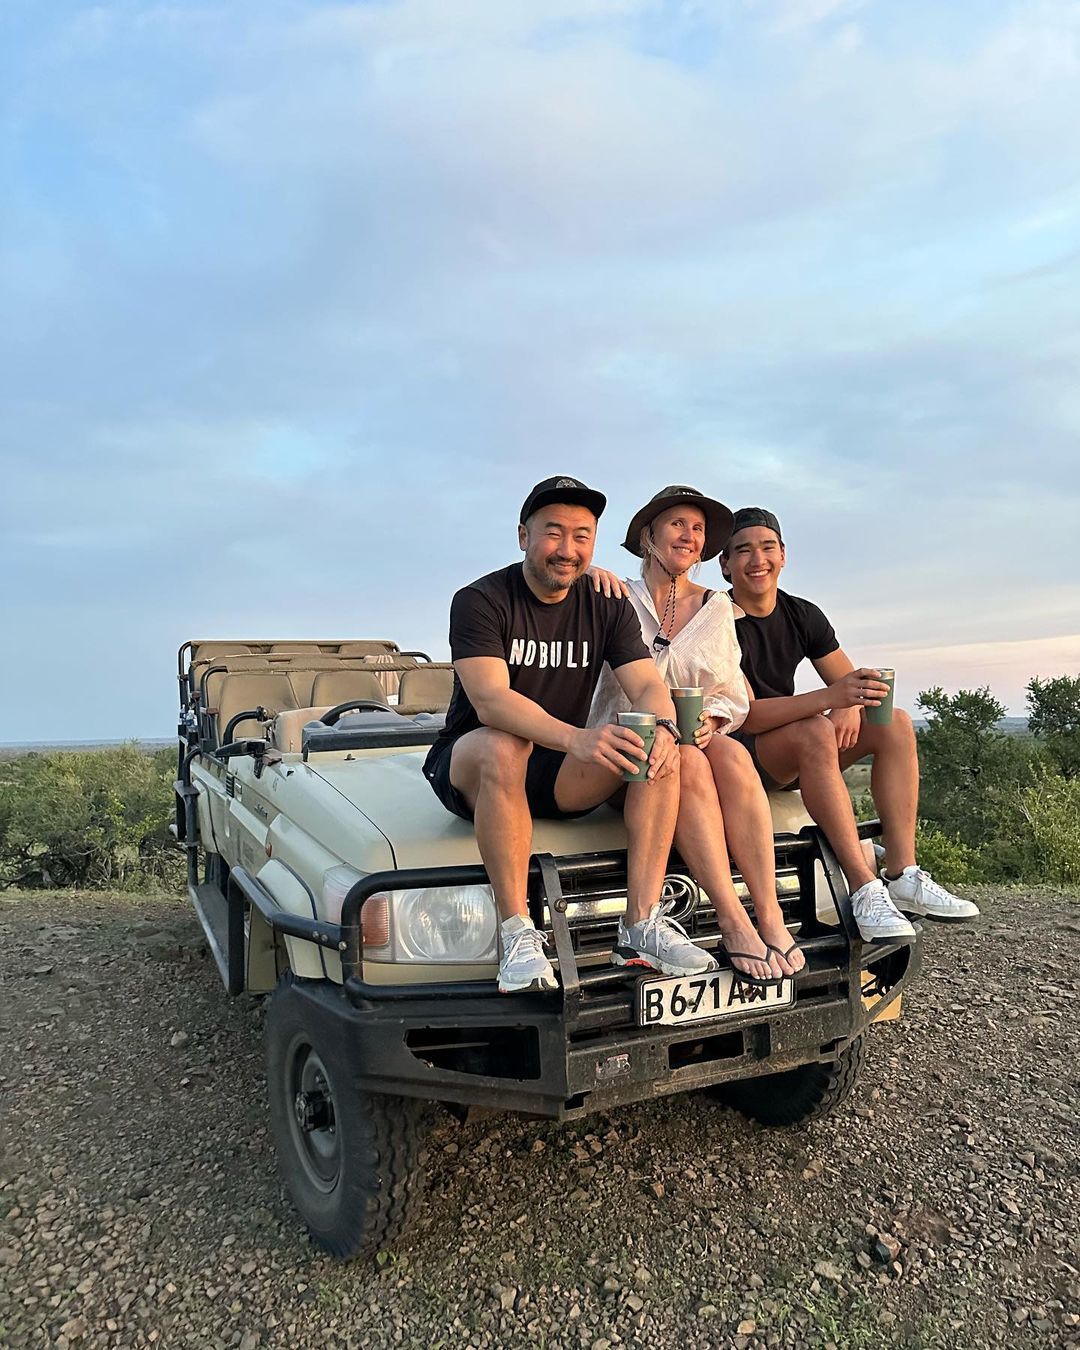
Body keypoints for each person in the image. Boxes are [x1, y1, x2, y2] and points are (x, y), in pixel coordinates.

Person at [423, 475, 720, 994]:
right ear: (523, 536)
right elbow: (490, 701)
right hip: (474, 762)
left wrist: (665, 727)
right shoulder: (480, 599)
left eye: (582, 536)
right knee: (504, 744)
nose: (567, 549)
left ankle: (640, 924)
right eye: (553, 532)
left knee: (654, 745)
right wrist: (578, 739)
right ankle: (517, 932)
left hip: (556, 768)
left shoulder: (605, 602)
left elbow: (647, 685)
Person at [719, 507, 979, 940]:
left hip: (798, 748)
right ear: (725, 564)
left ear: (783, 555)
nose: (757, 559)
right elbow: (749, 714)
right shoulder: (718, 619)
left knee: (893, 721)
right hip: (743, 753)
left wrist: (847, 705)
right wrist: (831, 700)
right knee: (815, 728)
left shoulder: (802, 614)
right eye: (743, 550)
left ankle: (903, 873)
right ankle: (863, 886)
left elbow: (853, 685)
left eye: (767, 547)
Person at [588, 487, 805, 985]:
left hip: (692, 742)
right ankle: (732, 919)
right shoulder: (612, 595)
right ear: (648, 535)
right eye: (677, 524)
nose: (689, 535)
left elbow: (731, 692)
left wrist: (713, 720)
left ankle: (769, 913)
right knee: (689, 759)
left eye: (699, 528)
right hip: (626, 747)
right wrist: (586, 574)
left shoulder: (716, 607)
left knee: (729, 754)